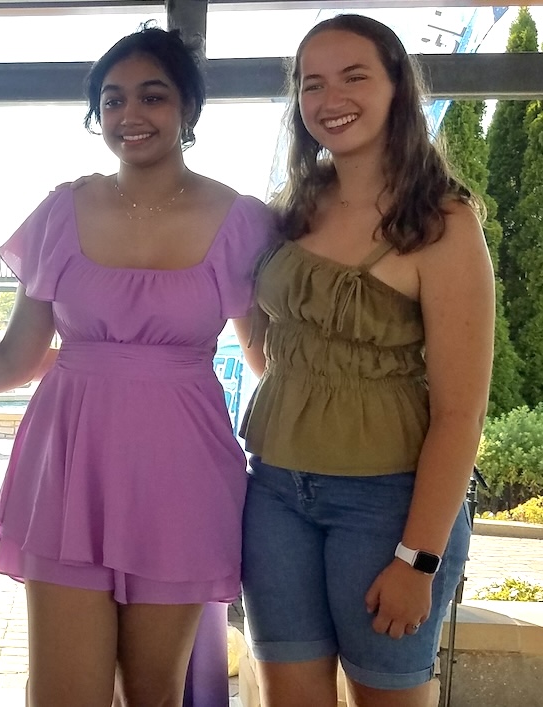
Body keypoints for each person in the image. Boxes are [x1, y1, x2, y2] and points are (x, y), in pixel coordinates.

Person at [0, 25, 272, 707]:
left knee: (154, 691)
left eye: (153, 96)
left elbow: (270, 362)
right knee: (64, 693)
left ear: (188, 109)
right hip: (69, 475)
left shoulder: (244, 222)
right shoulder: (62, 208)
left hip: (185, 478)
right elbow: (16, 355)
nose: (130, 116)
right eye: (112, 101)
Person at [238, 14, 491, 707]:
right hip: (275, 492)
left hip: (388, 506)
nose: (329, 98)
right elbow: (265, 340)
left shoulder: (444, 223)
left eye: (354, 76)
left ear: (396, 89)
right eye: (312, 83)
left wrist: (418, 558)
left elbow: (462, 413)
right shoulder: (292, 209)